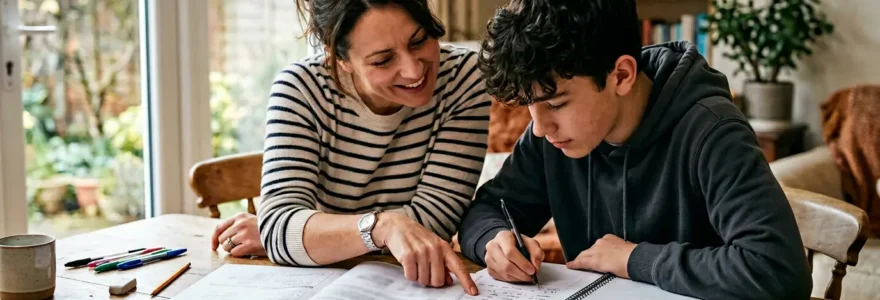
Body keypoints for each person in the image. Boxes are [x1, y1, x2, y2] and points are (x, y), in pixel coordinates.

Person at [457, 0, 812, 299]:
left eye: (556, 104)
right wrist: (494, 241)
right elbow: (487, 208)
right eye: (529, 106)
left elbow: (779, 271)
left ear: (622, 75)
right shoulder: (550, 135)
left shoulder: (713, 132)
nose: (539, 127)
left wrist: (632, 258)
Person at [211, 0, 489, 295]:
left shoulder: (464, 79)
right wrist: (381, 228)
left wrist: (307, 237)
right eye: (383, 60)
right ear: (339, 59)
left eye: (419, 41)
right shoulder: (300, 89)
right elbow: (281, 227)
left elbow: (434, 223)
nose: (412, 70)